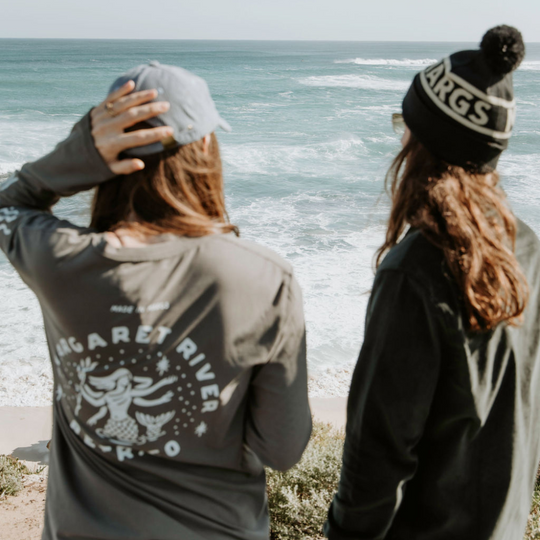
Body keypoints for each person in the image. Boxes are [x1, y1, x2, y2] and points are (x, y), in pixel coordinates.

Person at [0, 62, 312, 540]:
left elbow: (9, 205)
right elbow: (282, 450)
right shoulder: (263, 278)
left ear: (105, 156)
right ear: (206, 148)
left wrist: (79, 153)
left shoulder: (60, 261)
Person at [324, 26, 540, 540]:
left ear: (424, 143)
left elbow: (377, 455)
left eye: (406, 124)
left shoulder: (416, 270)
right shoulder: (528, 250)